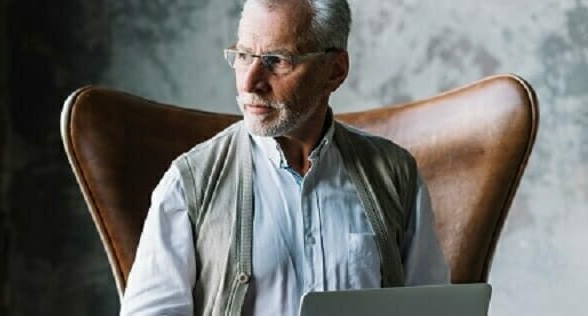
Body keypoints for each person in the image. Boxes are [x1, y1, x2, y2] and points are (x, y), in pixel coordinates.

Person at [120, 0, 450, 315]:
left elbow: (435, 310)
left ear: (335, 70)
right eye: (244, 55)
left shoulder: (394, 174)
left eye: (277, 60)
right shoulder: (187, 182)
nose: (250, 82)